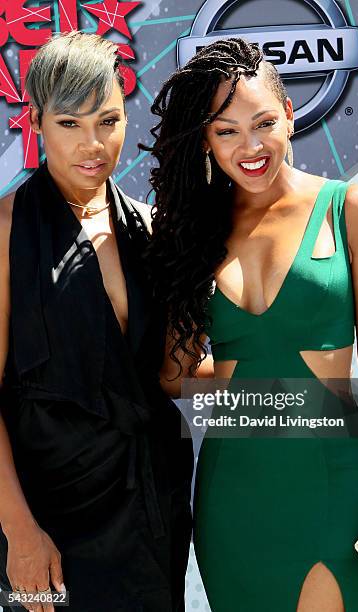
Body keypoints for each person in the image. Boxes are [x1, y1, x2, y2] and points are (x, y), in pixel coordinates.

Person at [143, 37, 358, 611]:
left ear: (291, 116)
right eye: (226, 131)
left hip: (331, 480)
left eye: (263, 123)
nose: (249, 146)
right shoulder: (194, 232)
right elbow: (175, 377)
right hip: (232, 491)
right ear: (205, 140)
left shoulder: (352, 207)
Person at [0, 31, 193, 612]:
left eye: (108, 120)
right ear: (34, 122)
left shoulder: (151, 229)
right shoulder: (7, 232)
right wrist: (19, 531)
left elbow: (171, 377)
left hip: (150, 504)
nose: (93, 144)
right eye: (69, 124)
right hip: (48, 513)